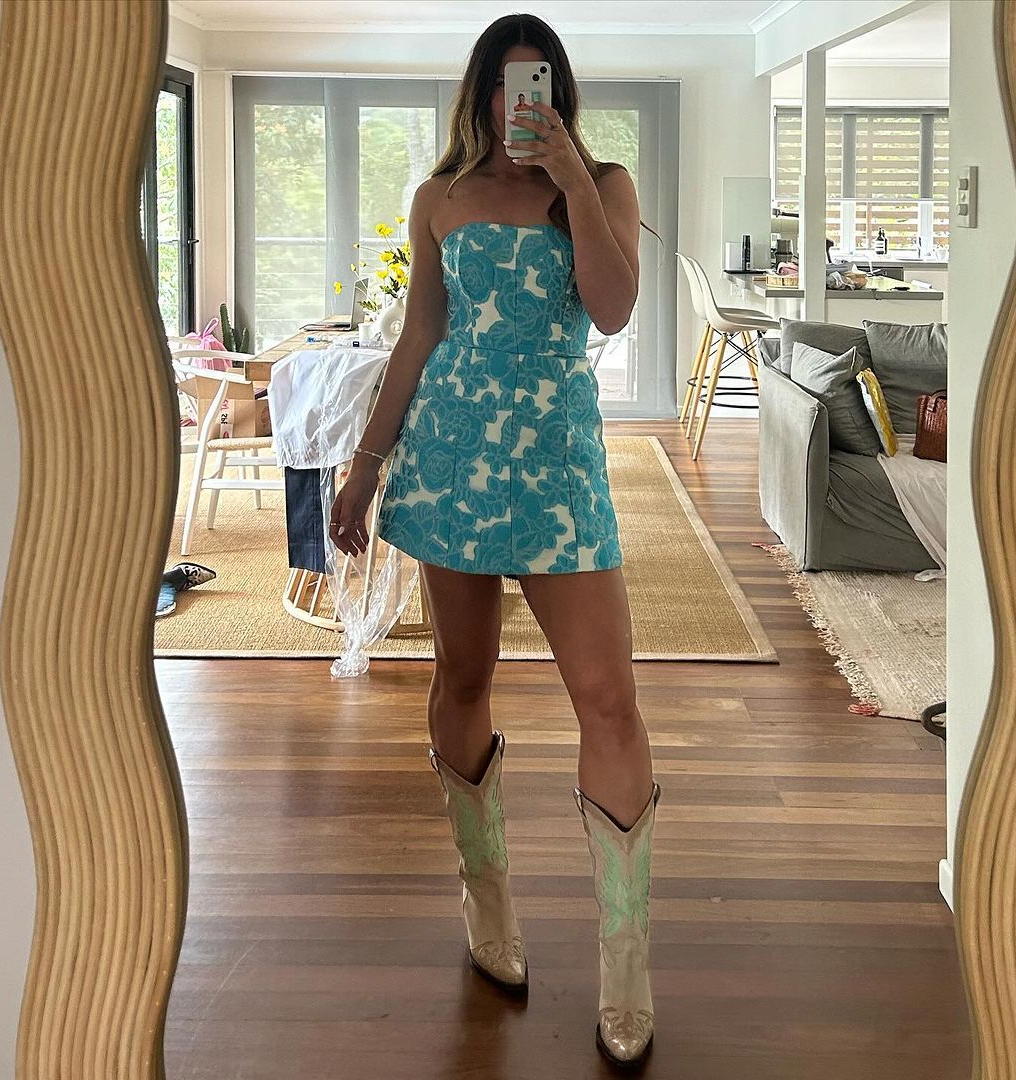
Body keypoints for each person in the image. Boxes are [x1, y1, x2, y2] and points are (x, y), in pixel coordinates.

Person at [327, 13, 663, 1067]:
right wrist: (366, 461)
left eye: (543, 83)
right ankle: (489, 909)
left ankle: (625, 965)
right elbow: (420, 334)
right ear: (480, 95)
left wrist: (569, 180)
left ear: (560, 94)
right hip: (452, 458)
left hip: (560, 467)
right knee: (462, 679)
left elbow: (612, 310)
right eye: (509, 84)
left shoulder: (603, 185)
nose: (525, 101)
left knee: (610, 699)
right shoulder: (440, 197)